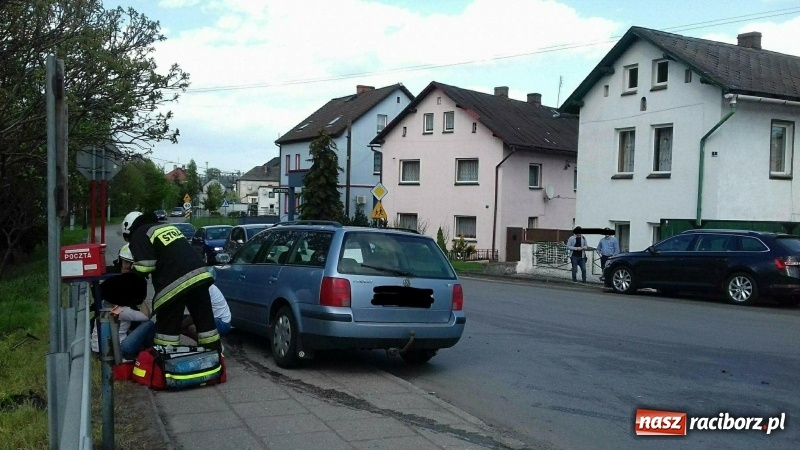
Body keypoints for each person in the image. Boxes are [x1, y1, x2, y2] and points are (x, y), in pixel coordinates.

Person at [122, 211, 222, 351]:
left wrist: (131, 275)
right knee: (205, 323)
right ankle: (215, 355)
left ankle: (166, 359)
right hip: (201, 275)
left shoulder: (139, 233)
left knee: (167, 329)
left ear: (128, 230)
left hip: (175, 282)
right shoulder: (167, 227)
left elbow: (145, 266)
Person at [91, 244, 155, 360]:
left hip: (104, 344)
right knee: (149, 324)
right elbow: (147, 316)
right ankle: (148, 353)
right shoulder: (122, 309)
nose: (129, 266)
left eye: (132, 263)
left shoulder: (137, 280)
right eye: (126, 262)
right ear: (120, 261)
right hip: (119, 347)